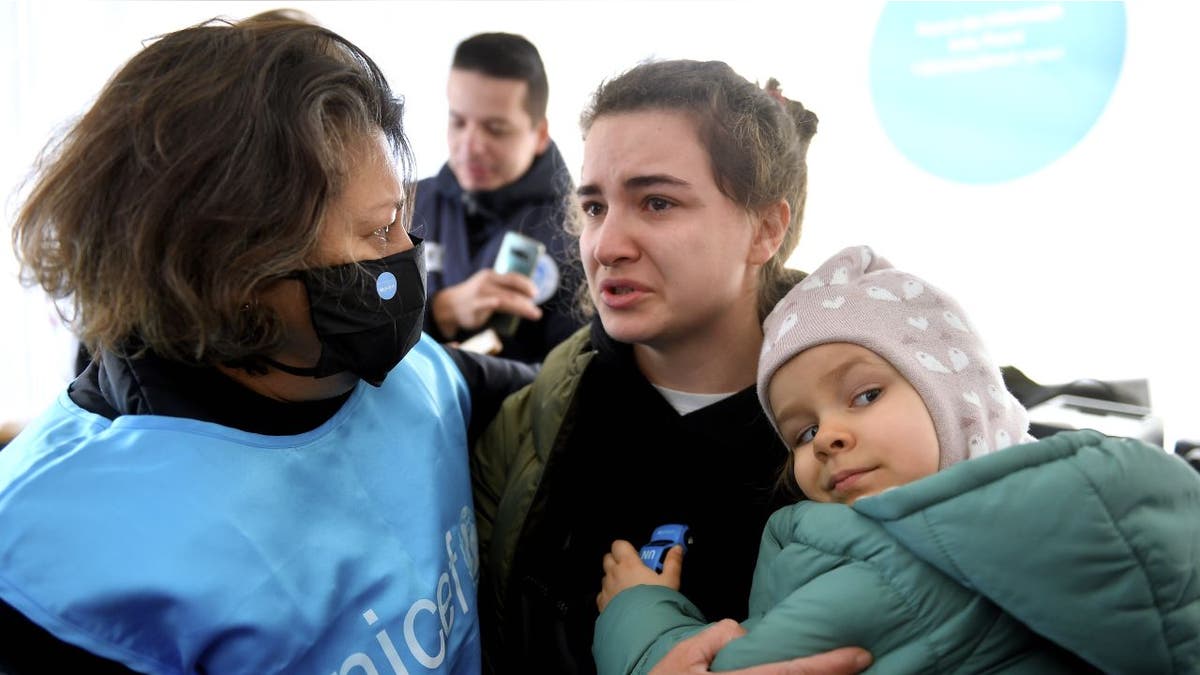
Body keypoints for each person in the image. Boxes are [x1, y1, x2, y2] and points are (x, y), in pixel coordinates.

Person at [0, 19, 536, 674]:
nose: (404, 254)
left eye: (400, 215)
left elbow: (563, 401)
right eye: (374, 232)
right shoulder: (55, 555)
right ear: (235, 277)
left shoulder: (417, 375)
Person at [594, 245, 1200, 673]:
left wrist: (638, 614)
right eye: (801, 433)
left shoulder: (895, 569)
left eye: (864, 395)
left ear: (959, 399)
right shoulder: (1061, 516)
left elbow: (739, 667)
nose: (828, 436)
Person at [472, 59, 843, 674]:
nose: (607, 245)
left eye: (658, 202)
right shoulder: (538, 417)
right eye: (594, 207)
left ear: (767, 229)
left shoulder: (854, 434)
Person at [413, 32, 584, 364]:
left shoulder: (578, 234)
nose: (470, 145)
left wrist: (465, 371)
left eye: (495, 129)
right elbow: (358, 327)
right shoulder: (406, 205)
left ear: (540, 135)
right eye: (458, 121)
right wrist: (441, 311)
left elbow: (573, 380)